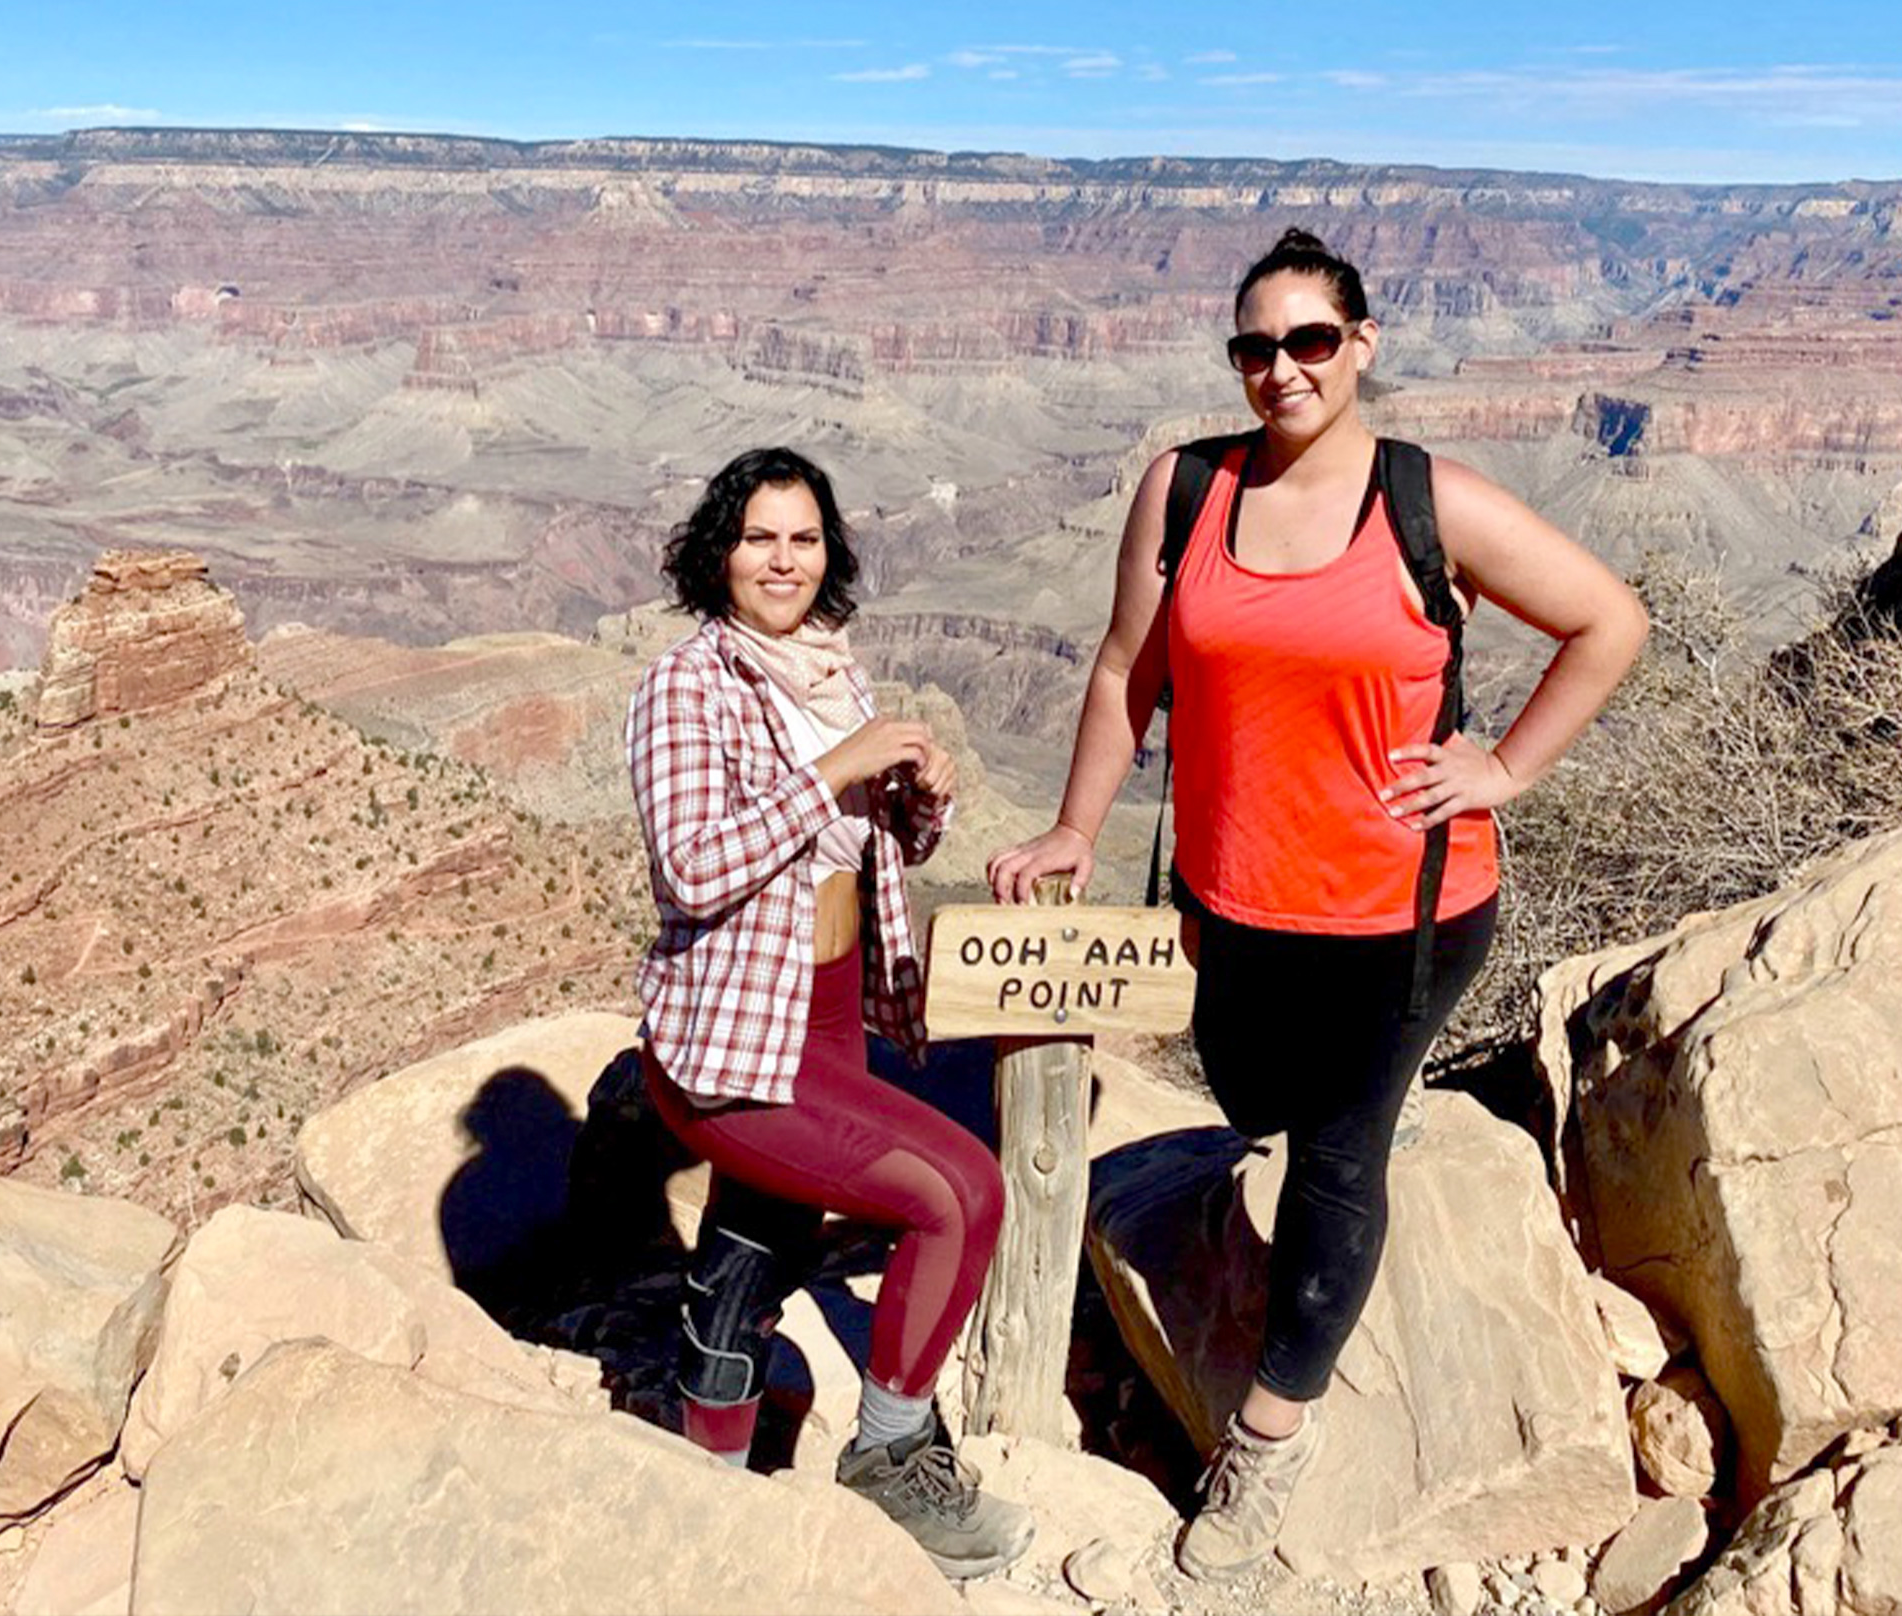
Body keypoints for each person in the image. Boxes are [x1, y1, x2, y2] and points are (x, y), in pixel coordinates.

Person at [988, 228, 1647, 1579]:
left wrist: (1505, 766)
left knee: (1340, 1158)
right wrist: (1072, 824)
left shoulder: (1429, 503)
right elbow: (1129, 666)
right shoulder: (1185, 489)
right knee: (1254, 1108)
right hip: (1231, 902)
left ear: (1362, 346)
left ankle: (1267, 1450)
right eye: (1254, 348)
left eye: (1310, 341)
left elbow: (1607, 620)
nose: (1280, 370)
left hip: (1398, 912)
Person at [627, 444, 1033, 1581]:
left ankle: (708, 1462)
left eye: (804, 538)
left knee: (761, 1233)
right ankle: (891, 1457)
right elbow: (693, 868)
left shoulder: (827, 670)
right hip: (731, 1039)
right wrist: (837, 767)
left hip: (828, 1012)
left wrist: (914, 808)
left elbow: (864, 854)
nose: (783, 559)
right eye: (760, 536)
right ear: (721, 549)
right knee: (962, 1194)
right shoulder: (687, 683)